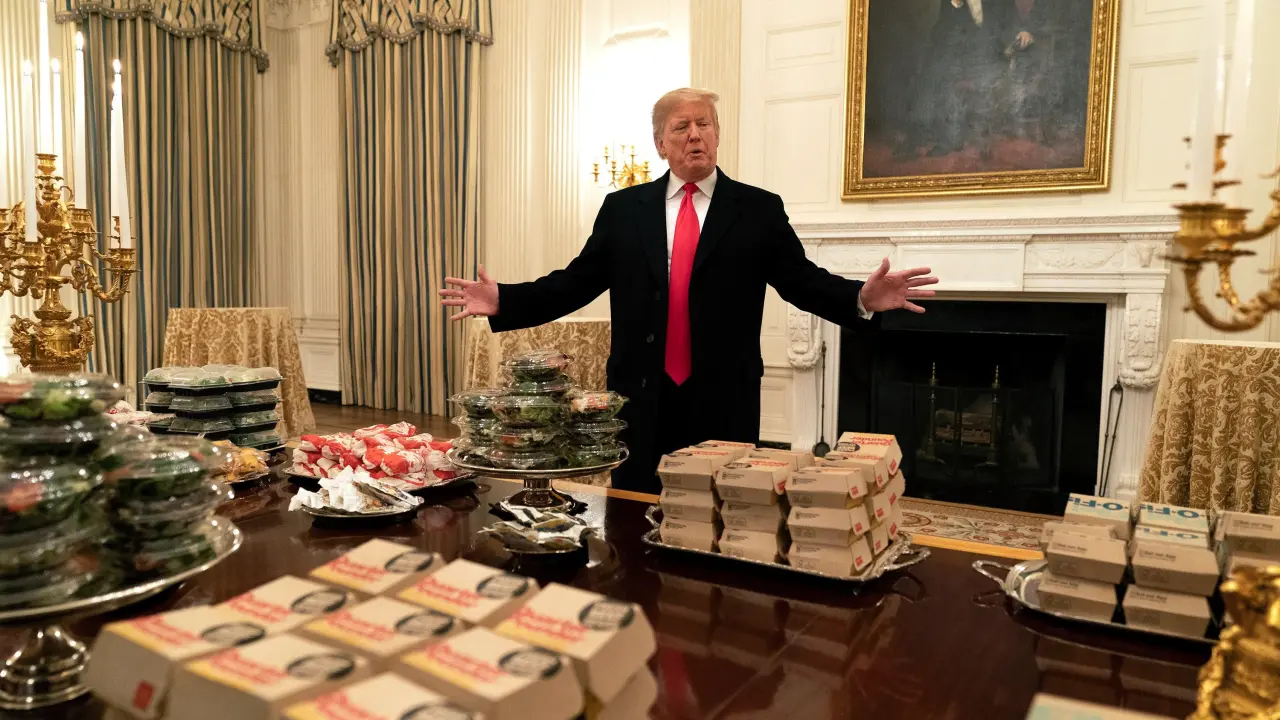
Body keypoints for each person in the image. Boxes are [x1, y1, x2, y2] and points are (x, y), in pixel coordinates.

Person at [440, 88, 937, 493]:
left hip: (723, 396)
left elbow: (800, 280)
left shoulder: (758, 209)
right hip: (640, 395)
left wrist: (859, 299)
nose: (695, 134)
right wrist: (505, 300)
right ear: (660, 143)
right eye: (681, 127)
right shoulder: (623, 209)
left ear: (717, 135)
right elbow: (576, 282)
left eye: (705, 124)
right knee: (635, 512)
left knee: (721, 511)